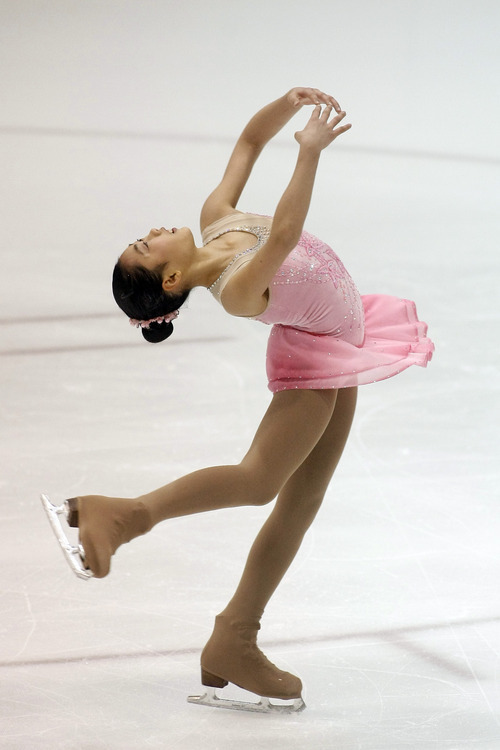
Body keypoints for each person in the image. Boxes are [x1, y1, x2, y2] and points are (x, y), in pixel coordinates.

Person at [45, 87, 434, 711]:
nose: (150, 231)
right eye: (146, 247)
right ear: (172, 281)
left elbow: (249, 143)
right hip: (315, 357)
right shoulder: (233, 286)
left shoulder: (217, 219)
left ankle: (235, 636)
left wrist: (286, 105)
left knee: (302, 498)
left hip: (342, 345)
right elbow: (282, 235)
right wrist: (309, 153)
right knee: (260, 481)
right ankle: (123, 515)